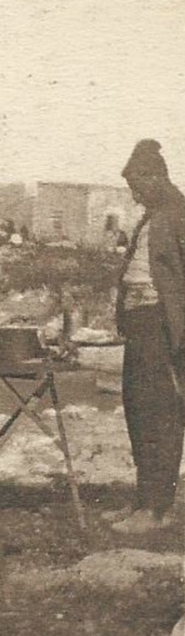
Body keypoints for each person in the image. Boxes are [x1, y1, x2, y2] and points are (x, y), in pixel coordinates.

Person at [106, 139, 185, 534]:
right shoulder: (152, 215)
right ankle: (142, 502)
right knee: (139, 412)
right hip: (141, 326)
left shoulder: (177, 214)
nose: (134, 195)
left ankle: (156, 509)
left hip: (160, 327)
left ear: (155, 178)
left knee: (159, 415)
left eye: (137, 186)